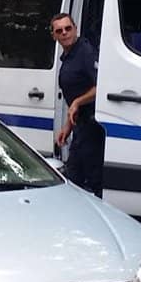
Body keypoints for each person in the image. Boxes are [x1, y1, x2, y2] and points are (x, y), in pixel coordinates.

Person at [52, 13, 103, 196]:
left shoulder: (85, 52)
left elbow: (102, 86)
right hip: (81, 126)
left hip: (93, 128)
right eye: (59, 31)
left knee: (91, 180)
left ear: (75, 29)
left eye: (68, 28)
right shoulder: (69, 56)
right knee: (74, 178)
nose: (65, 33)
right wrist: (67, 127)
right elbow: (74, 102)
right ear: (54, 36)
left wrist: (78, 102)